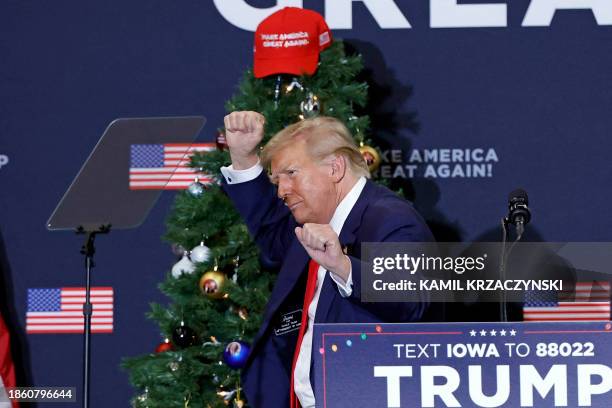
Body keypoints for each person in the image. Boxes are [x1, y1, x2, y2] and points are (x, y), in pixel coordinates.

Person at [220, 111, 434, 408]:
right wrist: (243, 158)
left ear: (335, 168)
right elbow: (271, 233)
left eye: (291, 174)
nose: (281, 191)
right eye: (277, 179)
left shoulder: (390, 218)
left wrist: (343, 267)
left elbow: (412, 300)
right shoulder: (314, 221)